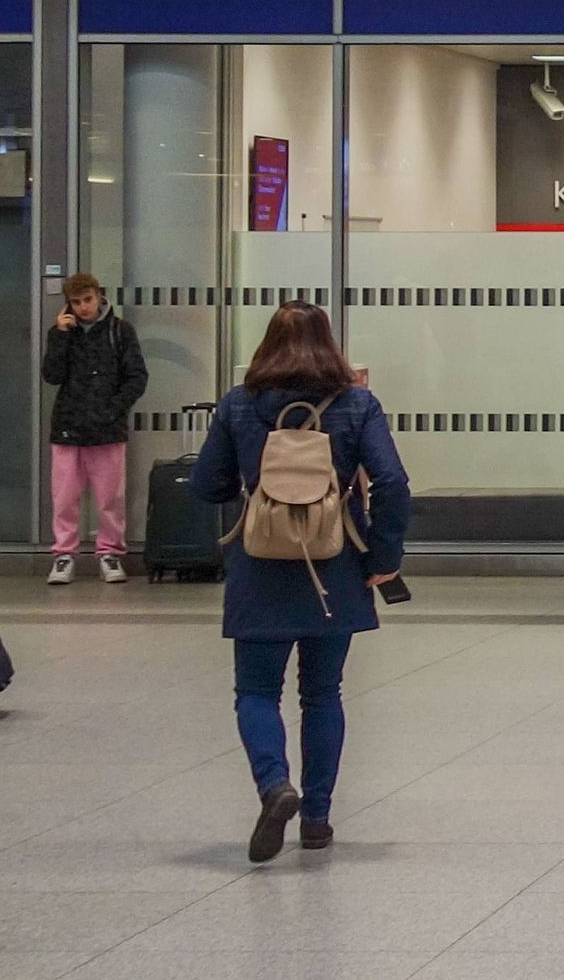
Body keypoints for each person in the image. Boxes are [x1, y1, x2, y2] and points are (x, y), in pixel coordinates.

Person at [188, 301, 411, 862]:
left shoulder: (239, 404)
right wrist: (383, 556)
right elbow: (392, 482)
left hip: (259, 563)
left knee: (257, 691)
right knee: (322, 694)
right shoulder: (357, 403)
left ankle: (273, 786)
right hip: (335, 564)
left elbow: (208, 485)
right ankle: (316, 819)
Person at [39, 273, 146, 585]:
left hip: (107, 428)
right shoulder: (61, 333)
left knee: (110, 496)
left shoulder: (120, 331)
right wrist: (60, 336)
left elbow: (136, 377)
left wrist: (112, 409)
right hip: (68, 426)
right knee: (63, 497)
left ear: (99, 296)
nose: (84, 307)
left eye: (88, 299)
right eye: (77, 302)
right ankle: (63, 554)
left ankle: (110, 552)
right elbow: (52, 375)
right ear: (68, 305)